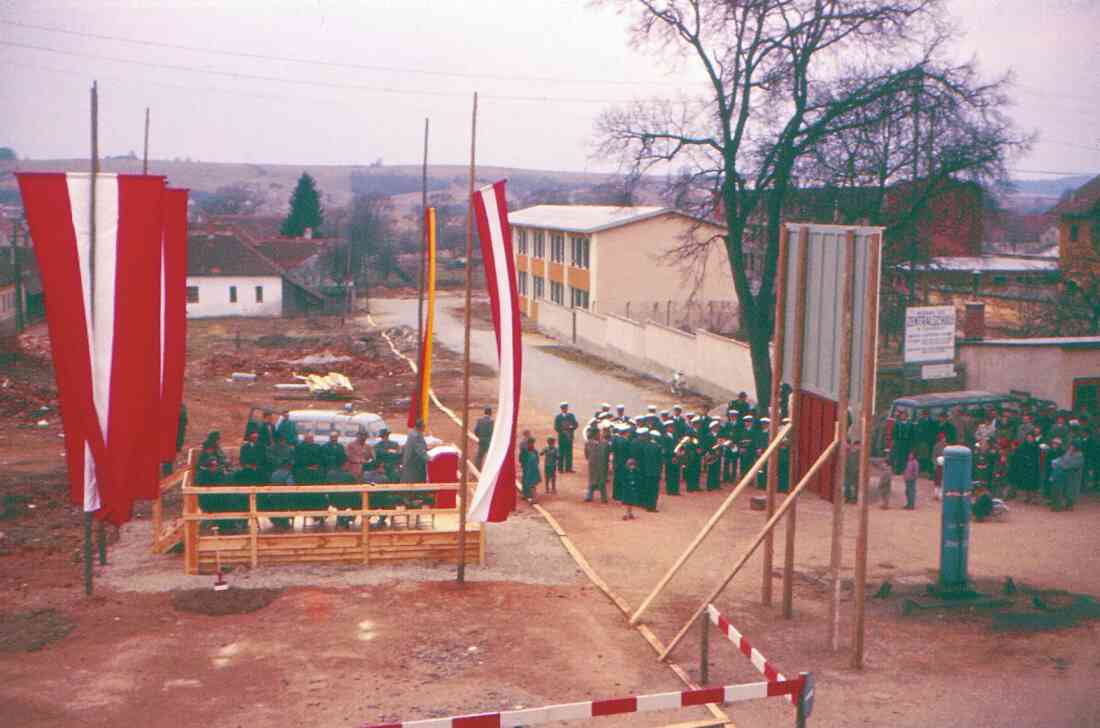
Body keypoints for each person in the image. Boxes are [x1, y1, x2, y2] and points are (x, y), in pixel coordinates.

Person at [1051, 441, 1084, 511]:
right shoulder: (1068, 452)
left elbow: (1075, 465)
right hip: (1065, 474)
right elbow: (1062, 459)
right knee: (1066, 489)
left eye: (1073, 446)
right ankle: (1066, 504)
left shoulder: (1079, 455)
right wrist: (1057, 462)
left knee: (1072, 490)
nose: (1071, 447)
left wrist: (1063, 466)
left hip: (1074, 475)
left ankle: (1070, 505)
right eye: (1070, 446)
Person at [1011, 431, 1041, 503]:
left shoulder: (1036, 446)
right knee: (1026, 482)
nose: (1029, 439)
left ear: (1033, 438)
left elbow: (1038, 455)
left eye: (1031, 437)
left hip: (1034, 466)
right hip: (1025, 465)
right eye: (1028, 437)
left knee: (1034, 482)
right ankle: (1028, 497)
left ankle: (1034, 498)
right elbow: (1019, 453)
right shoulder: (1023, 445)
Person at [638, 428, 663, 512]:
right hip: (655, 471)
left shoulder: (644, 446)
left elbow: (641, 458)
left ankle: (646, 504)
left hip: (646, 470)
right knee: (654, 490)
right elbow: (660, 460)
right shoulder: (658, 447)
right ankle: (652, 506)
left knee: (647, 488)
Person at [585, 426, 611, 503]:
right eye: (598, 433)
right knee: (593, 480)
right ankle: (591, 496)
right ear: (595, 434)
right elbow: (586, 454)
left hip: (599, 464)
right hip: (596, 464)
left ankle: (602, 498)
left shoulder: (604, 443)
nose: (600, 435)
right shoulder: (603, 443)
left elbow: (586, 454)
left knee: (600, 481)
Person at [401, 419, 429, 483]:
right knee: (413, 483)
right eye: (423, 426)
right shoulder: (415, 436)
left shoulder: (415, 433)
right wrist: (430, 459)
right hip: (413, 464)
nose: (424, 427)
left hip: (413, 463)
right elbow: (420, 451)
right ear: (420, 427)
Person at [554, 402, 579, 472]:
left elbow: (576, 424)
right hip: (562, 437)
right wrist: (563, 431)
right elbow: (556, 427)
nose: (565, 409)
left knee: (569, 453)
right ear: (562, 408)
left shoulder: (571, 416)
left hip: (569, 437)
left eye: (566, 408)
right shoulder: (558, 417)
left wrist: (571, 428)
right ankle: (560, 468)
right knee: (561, 453)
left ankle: (568, 468)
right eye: (564, 408)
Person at [890, 410, 913, 475]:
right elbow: (894, 433)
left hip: (906, 442)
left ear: (906, 416)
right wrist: (894, 440)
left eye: (904, 415)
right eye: (902, 415)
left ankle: (904, 469)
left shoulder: (910, 424)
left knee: (905, 455)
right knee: (898, 455)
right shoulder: (897, 423)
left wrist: (911, 443)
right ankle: (897, 469)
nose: (903, 416)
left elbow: (912, 435)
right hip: (899, 441)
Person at [519, 437, 540, 503]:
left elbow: (536, 461)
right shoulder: (526, 451)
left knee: (531, 484)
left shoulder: (533, 451)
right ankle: (525, 494)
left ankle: (534, 498)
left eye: (531, 443)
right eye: (529, 443)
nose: (530, 444)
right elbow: (521, 459)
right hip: (527, 469)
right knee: (525, 482)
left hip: (531, 470)